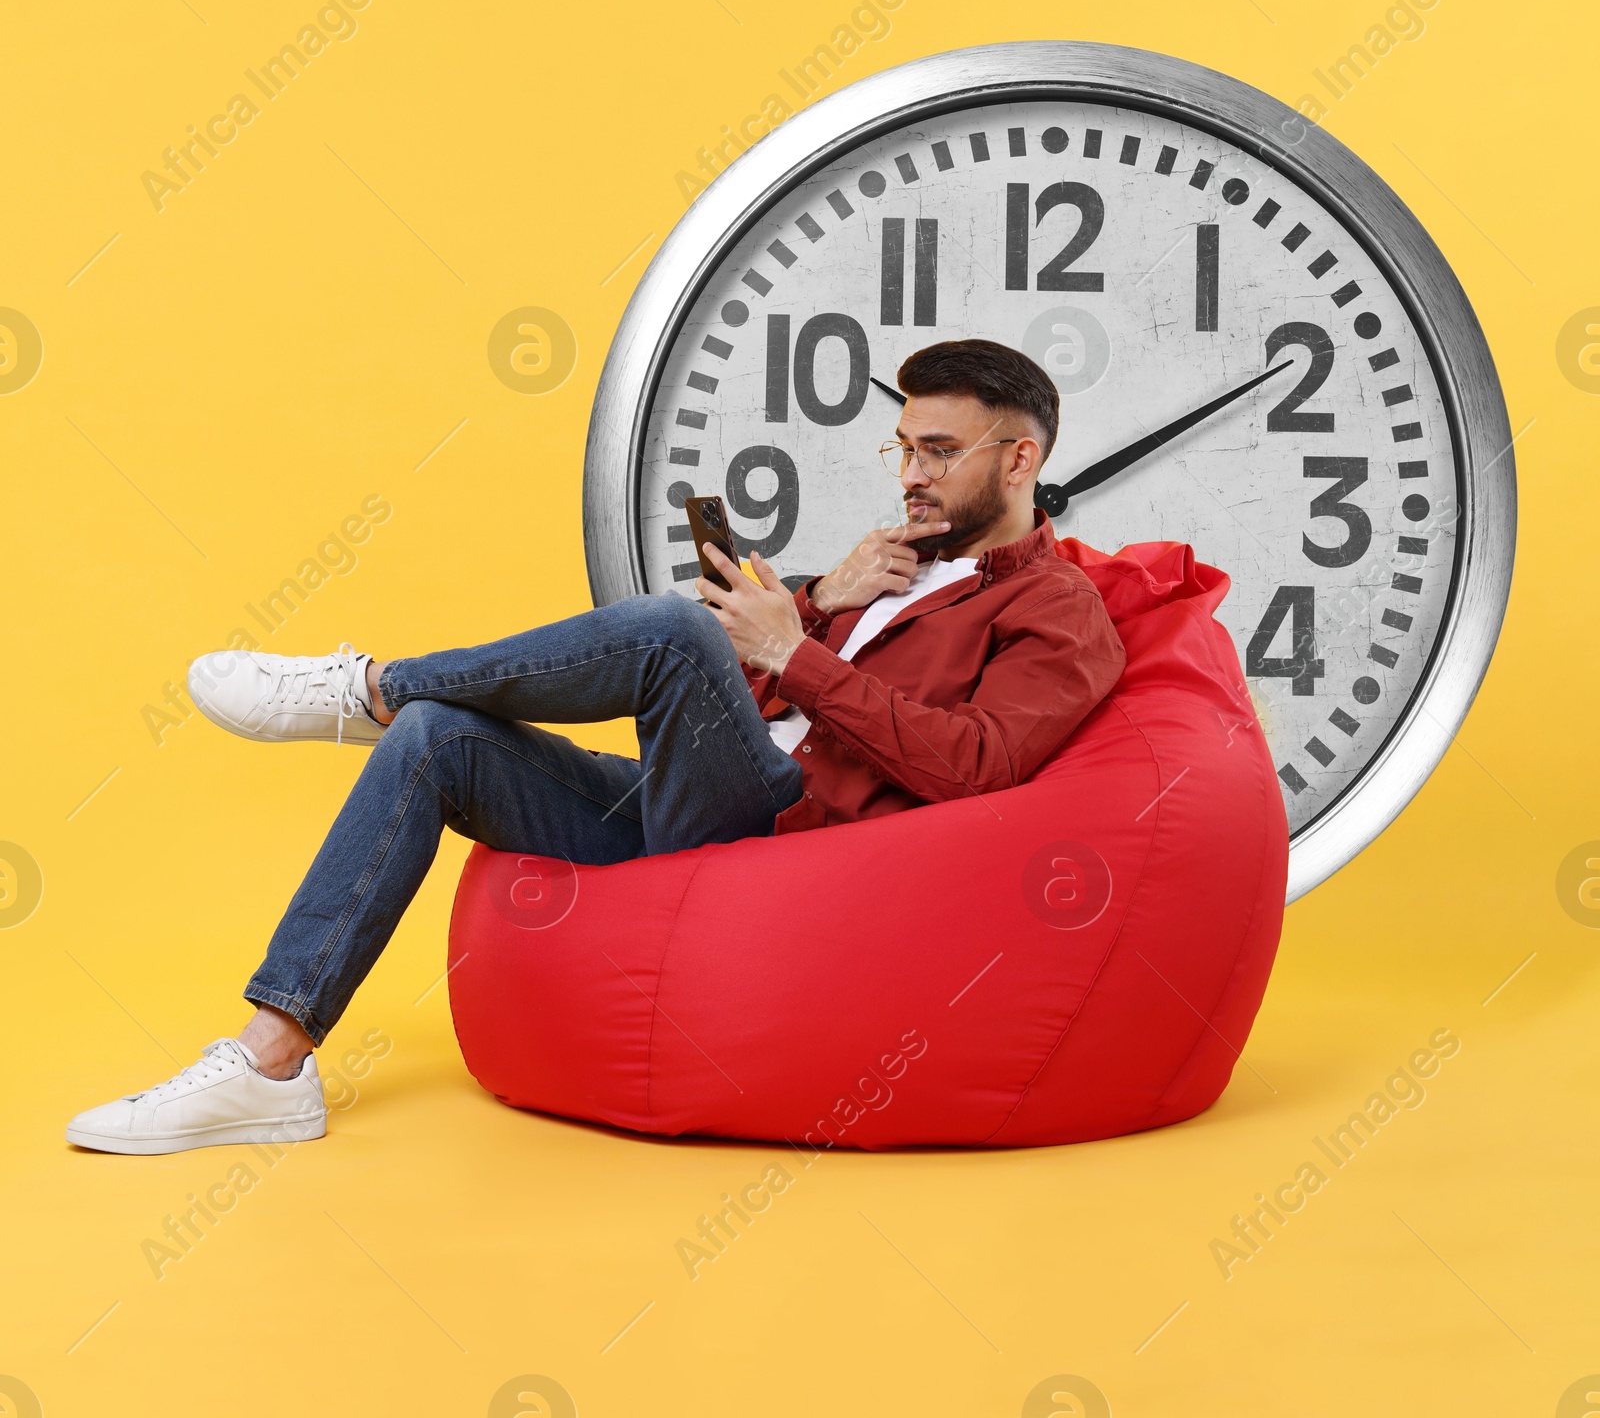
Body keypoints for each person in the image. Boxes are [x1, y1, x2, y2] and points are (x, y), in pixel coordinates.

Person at [65, 339, 1126, 1155]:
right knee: (443, 742)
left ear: (1019, 455)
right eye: (902, 447)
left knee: (671, 627)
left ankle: (368, 686)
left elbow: (976, 767)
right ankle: (271, 1060)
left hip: (790, 845)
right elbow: (758, 698)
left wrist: (794, 652)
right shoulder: (893, 565)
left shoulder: (1059, 609)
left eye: (938, 451)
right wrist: (815, 603)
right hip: (709, 796)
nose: (910, 474)